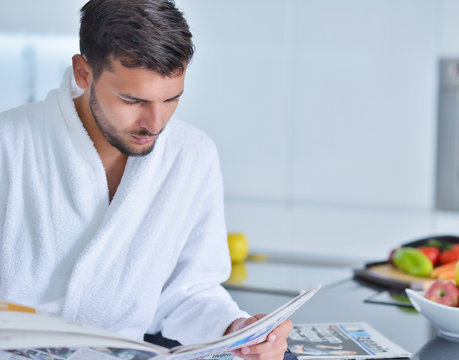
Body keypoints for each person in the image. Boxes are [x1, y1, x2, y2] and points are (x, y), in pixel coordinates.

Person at [0, 0, 292, 359]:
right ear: (83, 73)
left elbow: (188, 291)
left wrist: (235, 330)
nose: (155, 123)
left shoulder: (191, 156)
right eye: (131, 100)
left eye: (172, 99)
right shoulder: (9, 145)